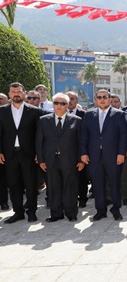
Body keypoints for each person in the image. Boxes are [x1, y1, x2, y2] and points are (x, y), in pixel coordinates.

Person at [80, 89, 127, 221]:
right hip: (94, 156)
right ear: (96, 99)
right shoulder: (89, 115)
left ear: (109, 99)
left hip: (113, 156)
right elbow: (84, 135)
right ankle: (100, 210)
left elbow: (123, 135)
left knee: (114, 183)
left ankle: (116, 209)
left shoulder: (119, 114)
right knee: (97, 184)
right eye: (99, 97)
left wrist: (121, 153)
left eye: (105, 97)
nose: (102, 99)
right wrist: (83, 153)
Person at [36, 93, 84, 222]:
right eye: (56, 103)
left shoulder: (76, 120)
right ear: (53, 104)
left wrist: (81, 160)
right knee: (53, 187)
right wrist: (41, 160)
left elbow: (81, 142)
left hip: (70, 160)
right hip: (51, 160)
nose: (59, 106)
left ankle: (71, 213)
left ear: (68, 105)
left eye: (62, 103)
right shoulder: (43, 120)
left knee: (70, 187)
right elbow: (39, 141)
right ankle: (56, 213)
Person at [0, 82, 43, 223]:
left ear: (24, 93)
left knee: (30, 184)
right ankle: (18, 212)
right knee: (13, 184)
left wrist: (38, 152)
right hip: (9, 154)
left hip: (29, 154)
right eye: (13, 92)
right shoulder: (2, 111)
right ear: (9, 94)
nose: (16, 94)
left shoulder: (34, 111)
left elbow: (39, 134)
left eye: (18, 91)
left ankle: (32, 211)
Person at [66, 91, 89, 208]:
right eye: (68, 98)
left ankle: (83, 198)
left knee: (81, 177)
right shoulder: (59, 113)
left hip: (80, 151)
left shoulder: (84, 114)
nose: (70, 101)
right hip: (64, 153)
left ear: (77, 101)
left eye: (73, 98)